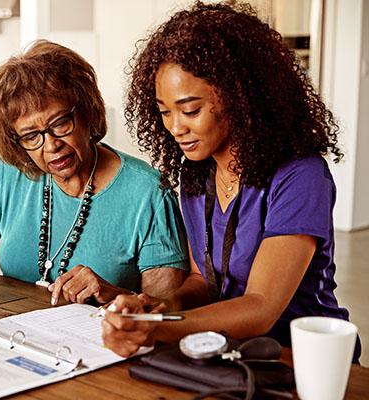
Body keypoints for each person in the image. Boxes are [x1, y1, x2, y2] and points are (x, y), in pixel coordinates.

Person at [102, 1, 362, 363]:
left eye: (191, 110)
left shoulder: (300, 175)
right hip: (227, 353)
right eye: (164, 111)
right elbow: (203, 280)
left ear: (241, 97)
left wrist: (160, 328)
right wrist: (160, 306)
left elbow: (261, 307)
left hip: (304, 360)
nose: (176, 127)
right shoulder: (196, 170)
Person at [0, 40, 189, 306]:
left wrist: (113, 295)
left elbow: (165, 311)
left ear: (87, 113)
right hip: (11, 336)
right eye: (31, 135)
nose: (51, 145)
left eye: (60, 124)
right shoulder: (9, 173)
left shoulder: (148, 192)